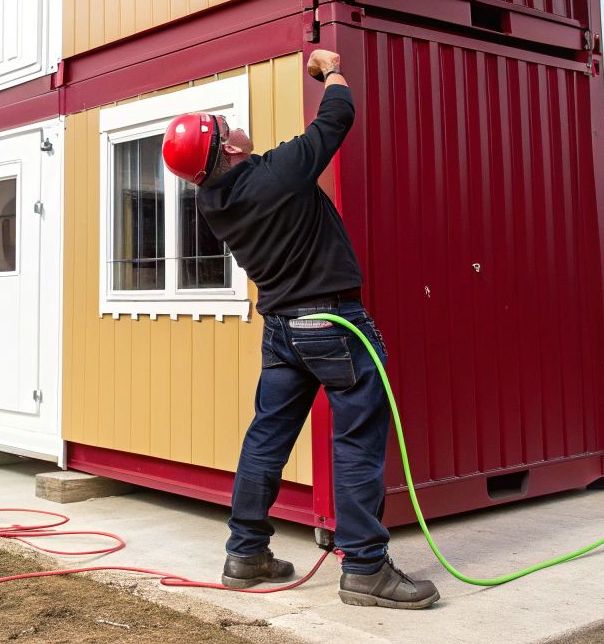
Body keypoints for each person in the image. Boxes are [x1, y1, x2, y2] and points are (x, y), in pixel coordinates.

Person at [160, 48, 439, 610]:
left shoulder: (215, 201)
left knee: (266, 439)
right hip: (333, 324)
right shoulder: (275, 176)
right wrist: (332, 70)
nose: (235, 127)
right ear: (230, 148)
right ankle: (365, 568)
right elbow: (335, 118)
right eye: (226, 128)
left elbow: (275, 156)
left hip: (283, 332)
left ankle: (247, 554)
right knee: (358, 441)